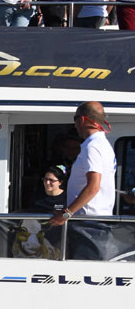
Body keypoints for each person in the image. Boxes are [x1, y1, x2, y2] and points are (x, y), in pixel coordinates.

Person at [48, 102, 117, 259]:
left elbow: (93, 186)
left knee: (82, 271)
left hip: (88, 225)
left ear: (82, 120)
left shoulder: (92, 147)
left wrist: (66, 214)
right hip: (95, 224)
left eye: (75, 119)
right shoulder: (104, 145)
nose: (75, 125)